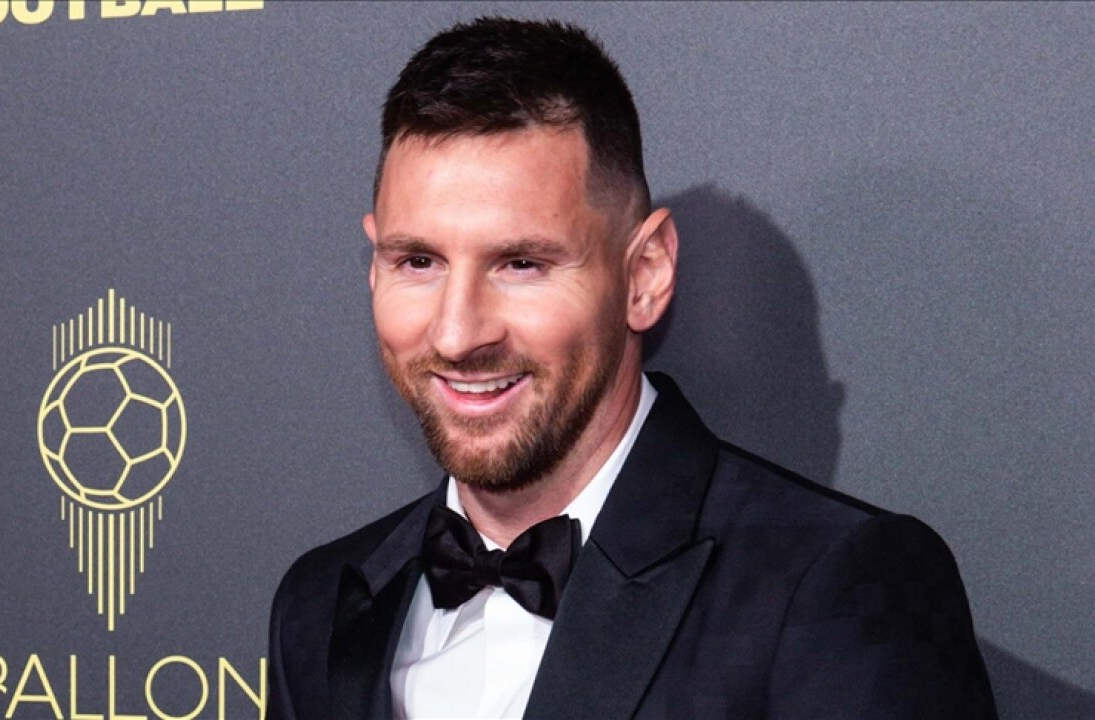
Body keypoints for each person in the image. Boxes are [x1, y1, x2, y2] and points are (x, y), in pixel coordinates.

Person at [268, 16, 997, 720]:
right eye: (418, 261)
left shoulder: (830, 588)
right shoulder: (321, 603)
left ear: (645, 275)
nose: (458, 334)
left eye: (521, 264)